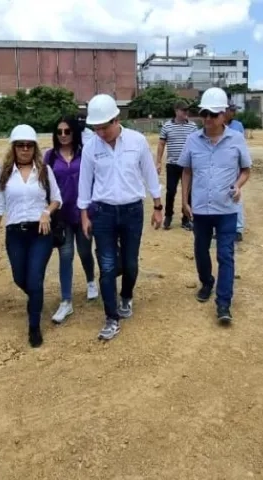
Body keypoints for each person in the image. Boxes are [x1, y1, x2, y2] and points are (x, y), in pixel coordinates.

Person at [78, 93, 163, 341]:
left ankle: (126, 296)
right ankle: (111, 317)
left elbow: (150, 175)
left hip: (132, 211)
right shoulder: (91, 147)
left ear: (117, 119)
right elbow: (85, 183)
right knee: (106, 266)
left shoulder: (137, 141)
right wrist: (84, 214)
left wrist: (158, 206)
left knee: (130, 263)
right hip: (103, 212)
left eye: (105, 127)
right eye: (97, 128)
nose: (101, 132)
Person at [181, 88, 252, 325]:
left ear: (224, 115)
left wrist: (239, 185)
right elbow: (187, 171)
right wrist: (184, 201)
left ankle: (223, 303)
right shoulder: (193, 140)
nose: (208, 119)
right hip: (201, 209)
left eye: (213, 114)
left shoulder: (237, 139)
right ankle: (207, 282)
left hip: (226, 210)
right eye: (204, 114)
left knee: (226, 255)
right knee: (201, 251)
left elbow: (246, 170)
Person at [0, 125, 62, 347]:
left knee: (34, 278)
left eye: (29, 145)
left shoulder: (44, 171)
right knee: (20, 277)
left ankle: (34, 326)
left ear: (34, 148)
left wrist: (46, 213)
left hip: (41, 232)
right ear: (13, 148)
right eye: (20, 145)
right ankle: (36, 298)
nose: (25, 149)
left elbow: (57, 199)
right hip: (15, 233)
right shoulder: (3, 173)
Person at [46, 116, 99, 324]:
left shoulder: (85, 153)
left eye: (67, 131)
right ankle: (66, 301)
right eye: (59, 132)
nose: (63, 135)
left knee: (85, 251)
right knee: (65, 255)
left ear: (74, 132)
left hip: (84, 212)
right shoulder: (50, 157)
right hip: (62, 216)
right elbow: (44, 185)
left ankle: (90, 280)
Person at [156, 100, 198, 230]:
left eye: (187, 110)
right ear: (176, 111)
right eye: (183, 110)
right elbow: (161, 144)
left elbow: (198, 145)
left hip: (188, 166)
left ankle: (186, 218)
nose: (186, 112)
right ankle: (168, 216)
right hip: (172, 164)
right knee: (170, 191)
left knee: (189, 192)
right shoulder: (167, 126)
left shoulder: (193, 127)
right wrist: (158, 161)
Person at [224, 103, 247, 242]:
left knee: (236, 194)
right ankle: (220, 228)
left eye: (234, 110)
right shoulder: (215, 125)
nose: (233, 113)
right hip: (220, 166)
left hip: (235, 166)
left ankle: (238, 228)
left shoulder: (238, 126)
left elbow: (242, 148)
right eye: (231, 110)